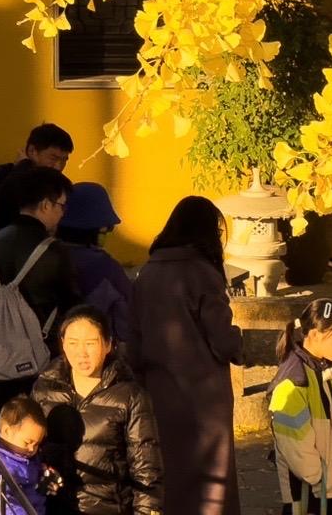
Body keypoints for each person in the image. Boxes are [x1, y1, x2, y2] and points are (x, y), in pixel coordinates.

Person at [130, 194, 244, 515]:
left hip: (160, 389)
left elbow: (133, 337)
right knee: (212, 477)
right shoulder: (203, 273)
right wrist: (241, 344)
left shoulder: (147, 273)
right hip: (204, 395)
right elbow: (222, 340)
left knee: (170, 472)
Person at [0, 163, 81, 427]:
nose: (62, 214)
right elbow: (73, 310)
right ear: (45, 204)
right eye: (61, 206)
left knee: (3, 436)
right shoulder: (55, 252)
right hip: (44, 363)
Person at [33, 305, 163, 515]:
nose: (81, 353)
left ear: (108, 344)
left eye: (90, 343)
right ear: (63, 344)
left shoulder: (130, 395)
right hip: (52, 506)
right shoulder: (45, 388)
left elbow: (146, 468)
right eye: (73, 343)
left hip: (109, 507)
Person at [269, 297, 332, 515]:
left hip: (330, 483)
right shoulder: (294, 380)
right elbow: (293, 439)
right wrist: (318, 476)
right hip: (311, 492)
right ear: (317, 334)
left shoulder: (325, 368)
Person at [58, 185, 133, 349]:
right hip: (90, 356)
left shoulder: (42, 255)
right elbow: (127, 323)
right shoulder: (106, 267)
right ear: (99, 228)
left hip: (39, 355)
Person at [0, 396, 58, 515]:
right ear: (7, 431)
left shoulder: (25, 456)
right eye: (27, 442)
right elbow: (2, 504)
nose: (32, 449)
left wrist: (45, 479)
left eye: (37, 444)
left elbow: (34, 478)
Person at [0, 124, 74, 233]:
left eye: (64, 160)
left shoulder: (59, 183)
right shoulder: (4, 172)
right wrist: (23, 166)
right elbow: (0, 204)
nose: (58, 166)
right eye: (53, 158)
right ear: (32, 151)